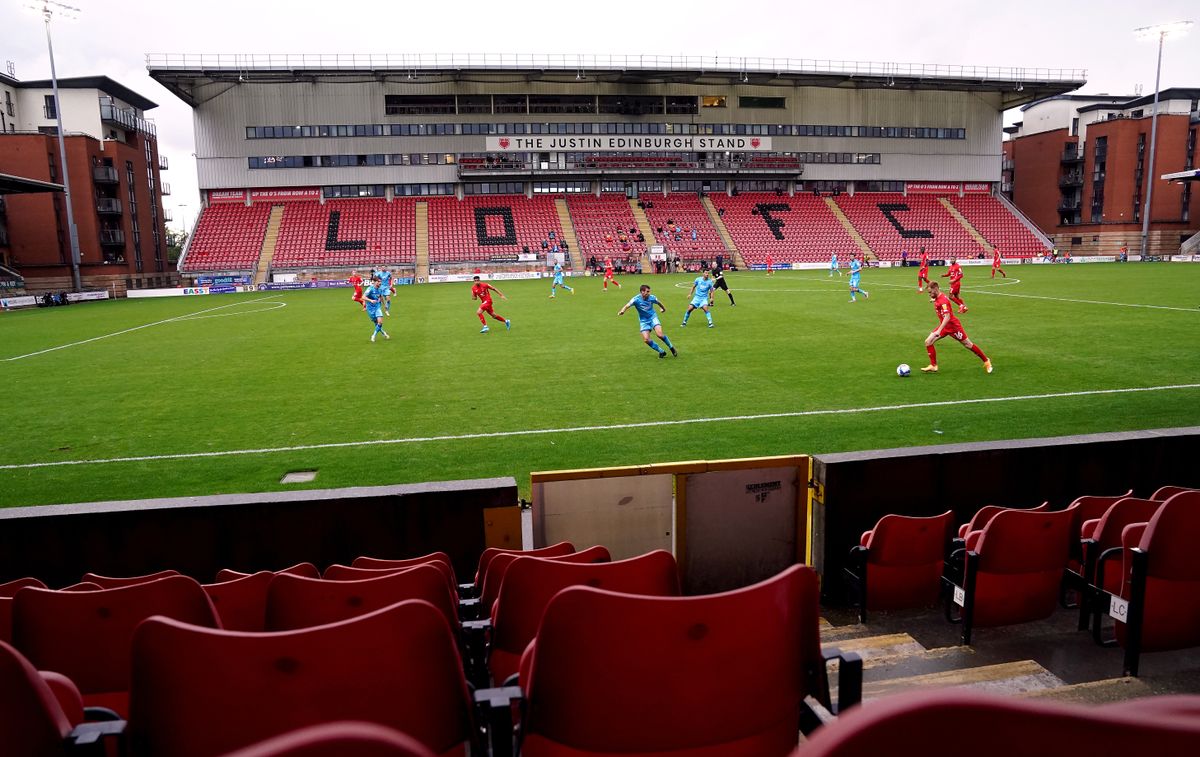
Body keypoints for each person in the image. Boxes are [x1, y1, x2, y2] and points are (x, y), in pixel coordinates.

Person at [921, 282, 991, 374]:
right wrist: (934, 300)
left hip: (953, 327)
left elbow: (947, 317)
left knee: (968, 344)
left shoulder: (943, 301)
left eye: (930, 292)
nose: (929, 295)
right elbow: (940, 302)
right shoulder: (939, 298)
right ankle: (934, 366)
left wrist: (939, 330)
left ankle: (986, 361)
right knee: (928, 341)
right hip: (945, 327)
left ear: (935, 289)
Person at [618, 284, 677, 358]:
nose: (649, 293)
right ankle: (661, 352)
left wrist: (663, 309)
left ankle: (671, 347)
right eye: (647, 291)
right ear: (642, 292)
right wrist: (622, 311)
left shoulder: (652, 297)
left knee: (660, 335)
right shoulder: (636, 299)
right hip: (643, 321)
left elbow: (659, 302)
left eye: (649, 291)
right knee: (646, 340)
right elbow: (627, 305)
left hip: (653, 318)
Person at [364, 275, 390, 343]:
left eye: (380, 282)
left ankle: (373, 336)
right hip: (370, 308)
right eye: (378, 282)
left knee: (380, 322)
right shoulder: (370, 289)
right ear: (374, 282)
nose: (380, 283)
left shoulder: (380, 289)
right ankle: (384, 333)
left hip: (377, 307)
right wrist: (370, 300)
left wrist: (384, 305)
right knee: (377, 324)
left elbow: (381, 297)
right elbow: (363, 297)